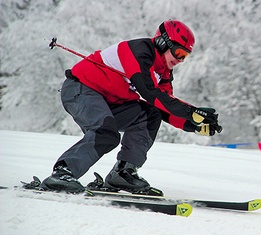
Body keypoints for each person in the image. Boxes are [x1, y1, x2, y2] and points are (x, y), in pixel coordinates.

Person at [39, 19, 222, 195]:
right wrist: (191, 112)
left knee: (150, 115)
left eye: (185, 57)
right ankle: (63, 173)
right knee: (106, 133)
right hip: (82, 88)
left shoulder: (163, 72)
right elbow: (149, 92)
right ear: (163, 42)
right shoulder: (139, 51)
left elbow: (163, 105)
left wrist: (193, 124)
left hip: (110, 101)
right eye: (179, 53)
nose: (180, 60)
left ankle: (123, 172)